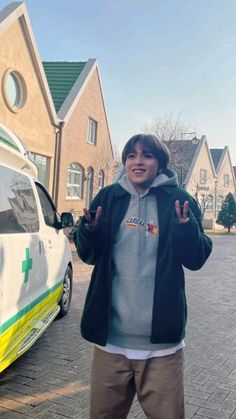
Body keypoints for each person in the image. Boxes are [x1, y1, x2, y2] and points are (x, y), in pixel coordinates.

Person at [74, 134, 212, 419]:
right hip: (110, 342)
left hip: (161, 348)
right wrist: (89, 231)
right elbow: (88, 256)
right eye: (131, 156)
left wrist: (185, 229)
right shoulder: (109, 198)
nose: (138, 162)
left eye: (146, 155)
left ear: (159, 164)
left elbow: (196, 258)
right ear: (125, 162)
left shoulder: (179, 200)